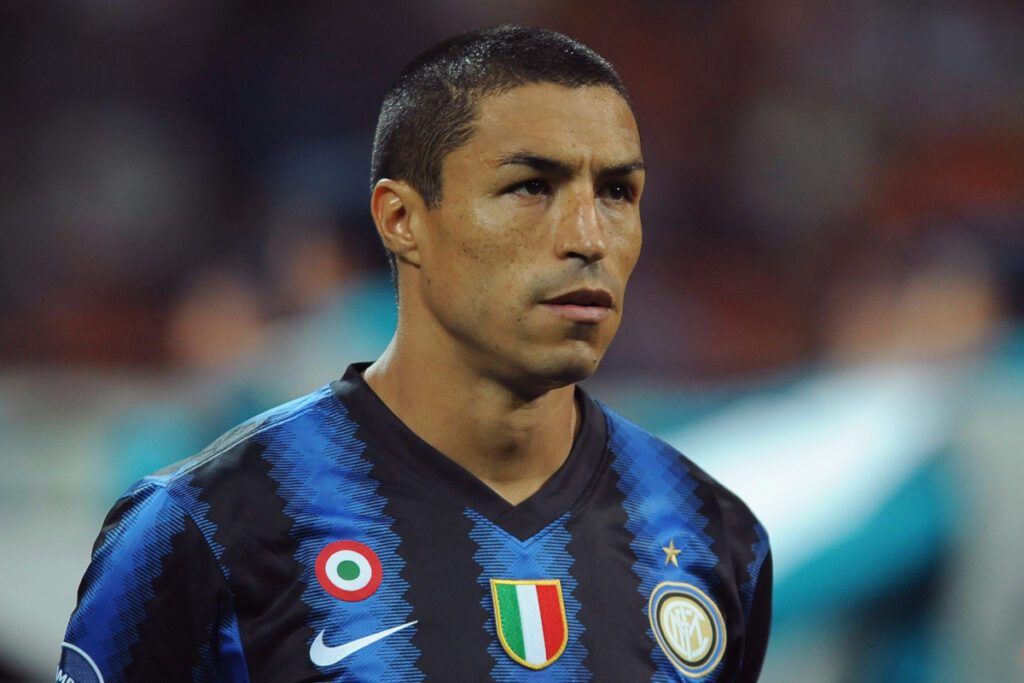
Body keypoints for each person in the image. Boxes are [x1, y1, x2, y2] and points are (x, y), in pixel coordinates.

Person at [58, 26, 771, 682]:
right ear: (401, 220)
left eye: (618, 191)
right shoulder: (204, 525)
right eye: (530, 186)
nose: (589, 235)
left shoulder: (714, 535)